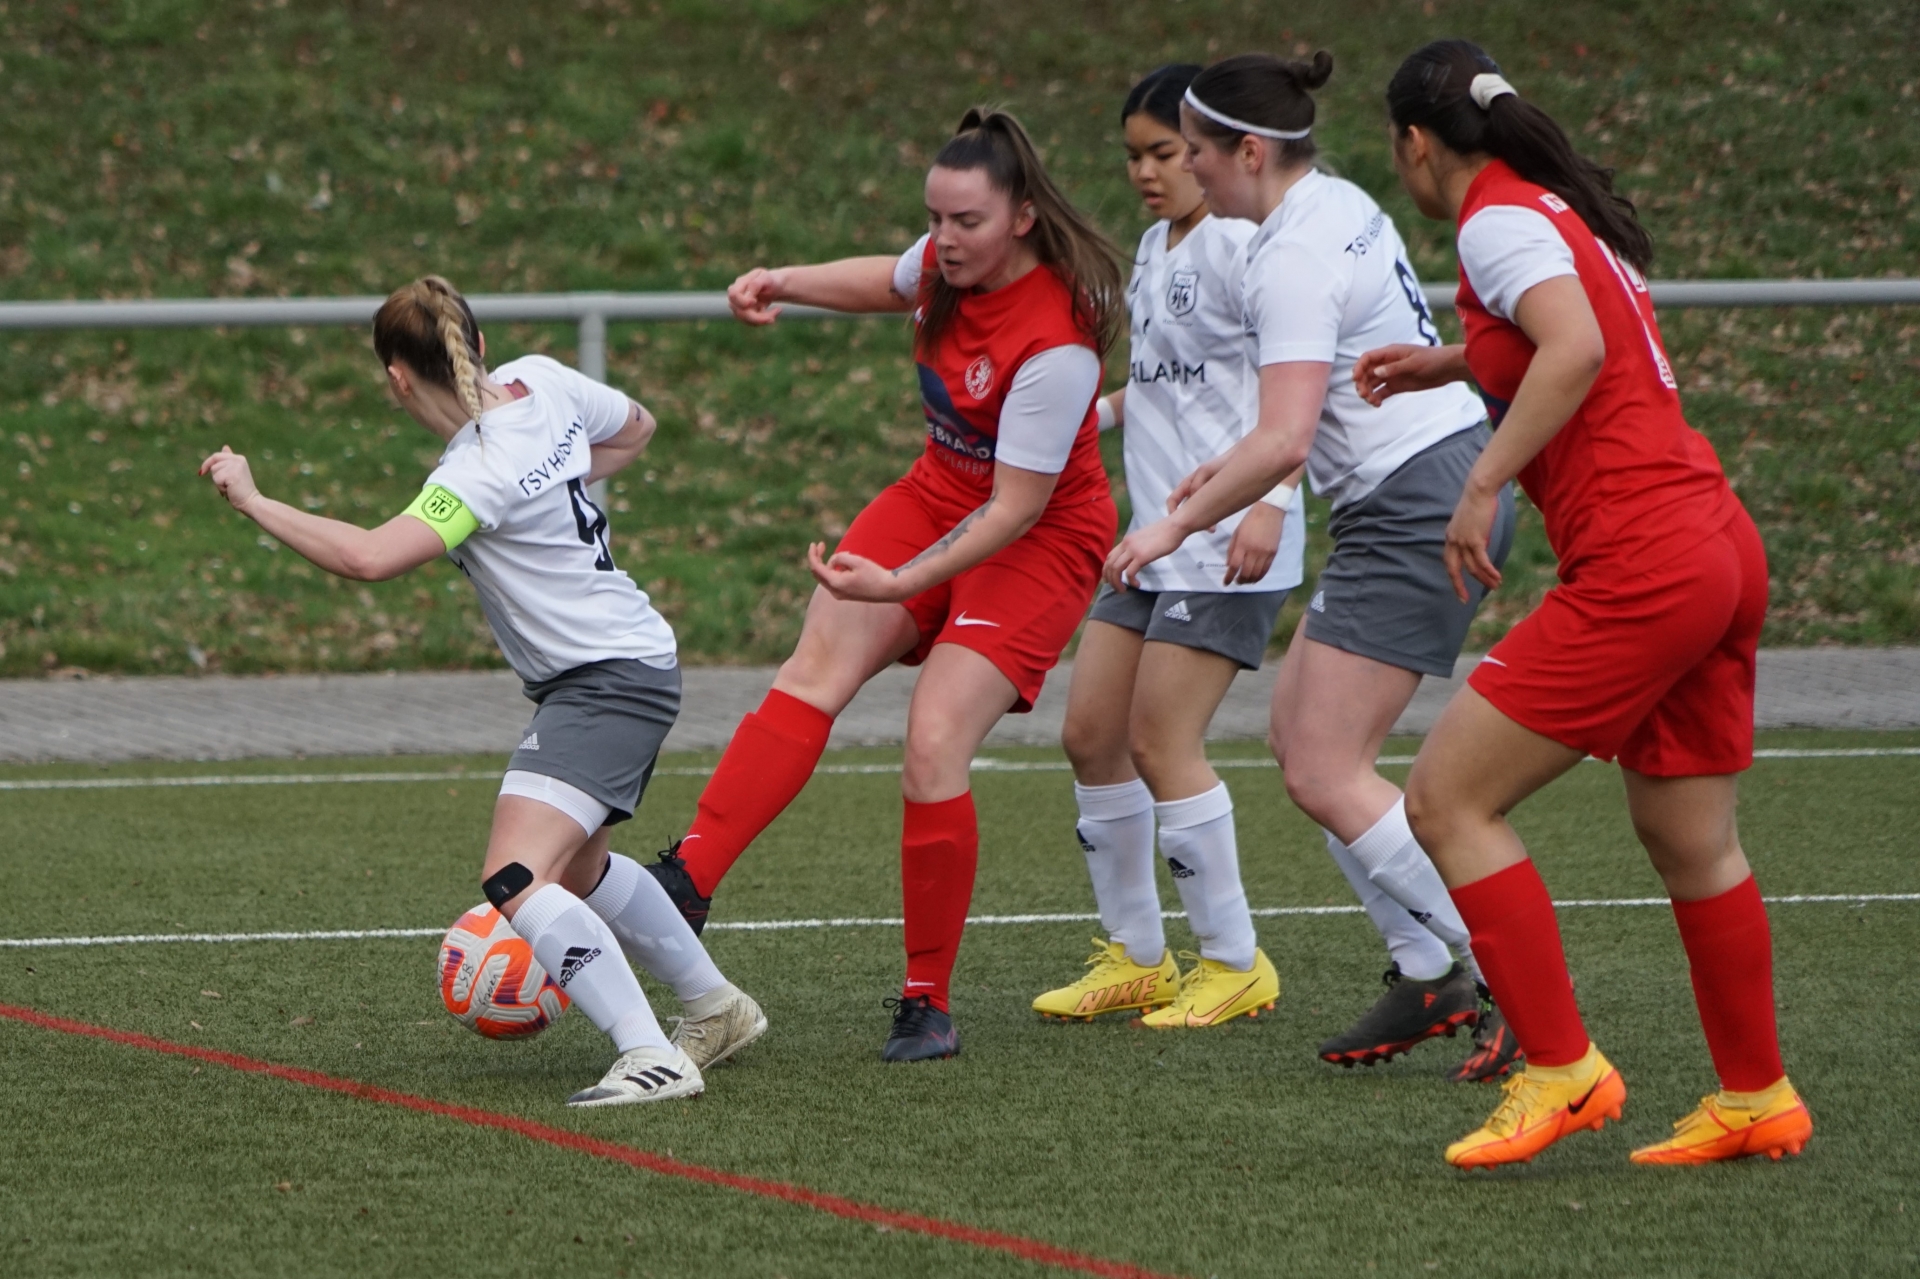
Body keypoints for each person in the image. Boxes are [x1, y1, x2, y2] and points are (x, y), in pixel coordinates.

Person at [1365, 40, 1811, 1168]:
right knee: (1690, 839)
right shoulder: (1555, 210)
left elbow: (1573, 350)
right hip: (1715, 544)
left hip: (1645, 558)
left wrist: (1479, 481)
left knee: (1444, 799)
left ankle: (1563, 1070)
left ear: (1416, 144)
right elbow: (1567, 348)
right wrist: (1456, 363)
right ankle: (1758, 1096)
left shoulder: (1493, 220)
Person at [198, 276, 766, 1107]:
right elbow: (638, 428)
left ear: (398, 375)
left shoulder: (474, 474)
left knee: (512, 872)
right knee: (580, 869)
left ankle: (650, 1052)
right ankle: (717, 1007)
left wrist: (252, 498)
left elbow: (366, 556)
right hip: (629, 662)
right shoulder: (543, 380)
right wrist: (557, 468)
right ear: (480, 344)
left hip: (604, 680)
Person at [644, 109, 1124, 1063]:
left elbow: (1014, 512)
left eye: (967, 222)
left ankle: (926, 1000)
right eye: (935, 219)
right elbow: (884, 278)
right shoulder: (950, 262)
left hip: (1036, 535)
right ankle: (685, 882)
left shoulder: (1057, 338)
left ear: (1023, 217)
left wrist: (900, 581)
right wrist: (781, 280)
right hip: (939, 494)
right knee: (817, 659)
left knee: (933, 737)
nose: (944, 239)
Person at [1103, 51, 1522, 1081]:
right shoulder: (1328, 200)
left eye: (1194, 151)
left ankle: (1515, 983)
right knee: (1304, 747)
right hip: (1408, 491)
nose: (1186, 170)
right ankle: (1431, 968)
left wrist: (1168, 527)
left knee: (1326, 764)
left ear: (1249, 151)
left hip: (1419, 496)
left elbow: (1284, 438)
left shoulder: (1287, 252)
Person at [1036, 64, 1303, 1030]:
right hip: (1151, 536)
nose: (1153, 171)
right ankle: (1137, 958)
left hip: (1228, 537)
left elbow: (1299, 388)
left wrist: (1274, 497)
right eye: (1138, 156)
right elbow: (1163, 383)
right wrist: (1083, 416)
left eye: (1170, 151)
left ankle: (1234, 961)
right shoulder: (1154, 246)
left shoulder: (1247, 243)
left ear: (1215, 150)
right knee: (1091, 735)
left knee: (1160, 740)